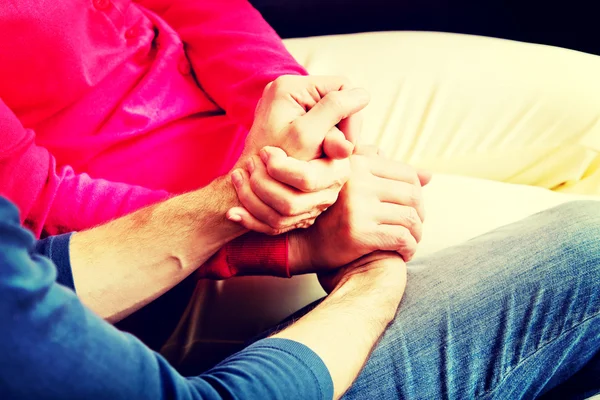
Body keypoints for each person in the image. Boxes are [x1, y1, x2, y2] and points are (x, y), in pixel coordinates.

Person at [1, 0, 599, 398]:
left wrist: (300, 110)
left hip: (230, 114)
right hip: (164, 247)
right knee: (588, 248)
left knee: (589, 105)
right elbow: (39, 218)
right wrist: (282, 233)